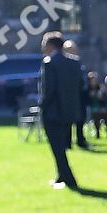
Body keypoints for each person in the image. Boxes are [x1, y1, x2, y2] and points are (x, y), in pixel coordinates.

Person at [37, 32, 80, 189]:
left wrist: (42, 106)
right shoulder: (74, 63)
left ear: (50, 46)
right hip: (69, 111)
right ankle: (61, 176)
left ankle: (69, 179)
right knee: (61, 145)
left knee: (57, 148)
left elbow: (48, 90)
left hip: (53, 111)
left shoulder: (49, 63)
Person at [87, 70, 107, 138]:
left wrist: (101, 97)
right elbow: (88, 100)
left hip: (102, 107)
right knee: (96, 116)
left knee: (105, 115)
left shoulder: (101, 88)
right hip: (93, 108)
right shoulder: (88, 89)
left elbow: (106, 99)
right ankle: (97, 133)